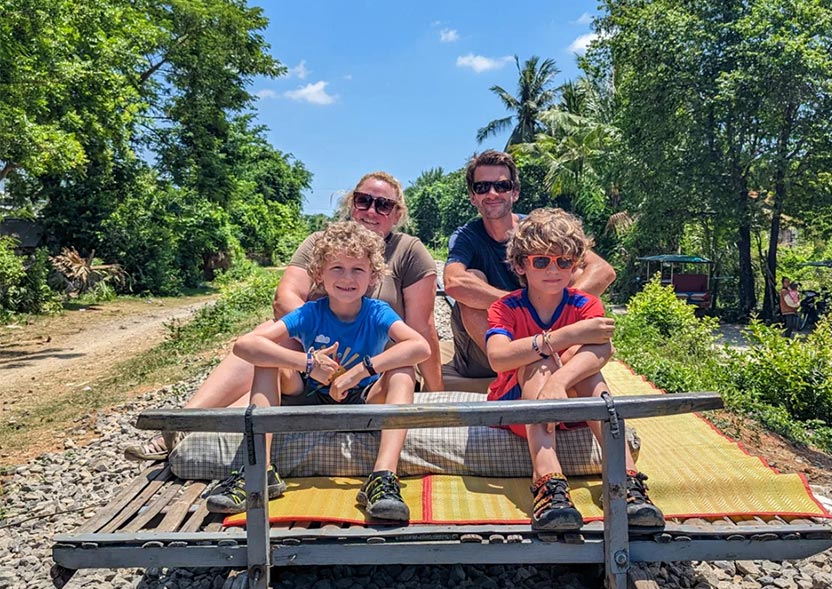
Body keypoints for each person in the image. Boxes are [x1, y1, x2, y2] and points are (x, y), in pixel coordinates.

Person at [124, 171, 443, 461]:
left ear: (396, 214)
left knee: (399, 358)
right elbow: (285, 298)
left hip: (371, 361)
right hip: (312, 352)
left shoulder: (409, 251)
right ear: (352, 203)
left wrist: (435, 393)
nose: (371, 211)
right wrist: (314, 347)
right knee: (267, 333)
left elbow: (421, 326)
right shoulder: (322, 243)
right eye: (364, 201)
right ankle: (185, 422)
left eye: (383, 205)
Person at [205, 221, 431, 519]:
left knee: (402, 368)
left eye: (357, 270)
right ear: (319, 274)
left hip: (363, 398)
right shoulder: (310, 312)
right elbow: (245, 345)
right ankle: (257, 470)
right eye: (337, 268)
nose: (347, 278)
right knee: (266, 360)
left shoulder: (377, 312)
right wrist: (308, 364)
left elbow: (420, 346)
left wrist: (361, 371)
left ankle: (383, 477)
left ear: (373, 276)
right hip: (309, 393)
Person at [484, 208, 664, 532]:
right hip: (519, 406)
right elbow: (498, 358)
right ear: (522, 264)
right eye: (541, 261)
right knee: (536, 364)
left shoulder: (584, 304)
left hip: (569, 401)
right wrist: (566, 337)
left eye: (563, 261)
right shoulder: (506, 307)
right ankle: (548, 480)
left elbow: (603, 349)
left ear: (574, 264)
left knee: (589, 373)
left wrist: (559, 380)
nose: (553, 269)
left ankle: (626, 479)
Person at [443, 150, 617, 379]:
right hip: (492, 351)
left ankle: (548, 352)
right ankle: (514, 368)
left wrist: (554, 305)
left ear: (514, 192)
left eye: (502, 186)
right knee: (471, 282)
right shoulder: (466, 236)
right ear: (473, 197)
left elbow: (603, 271)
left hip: (548, 333)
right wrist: (522, 305)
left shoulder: (537, 230)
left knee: (570, 271)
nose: (492, 193)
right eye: (482, 187)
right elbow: (453, 283)